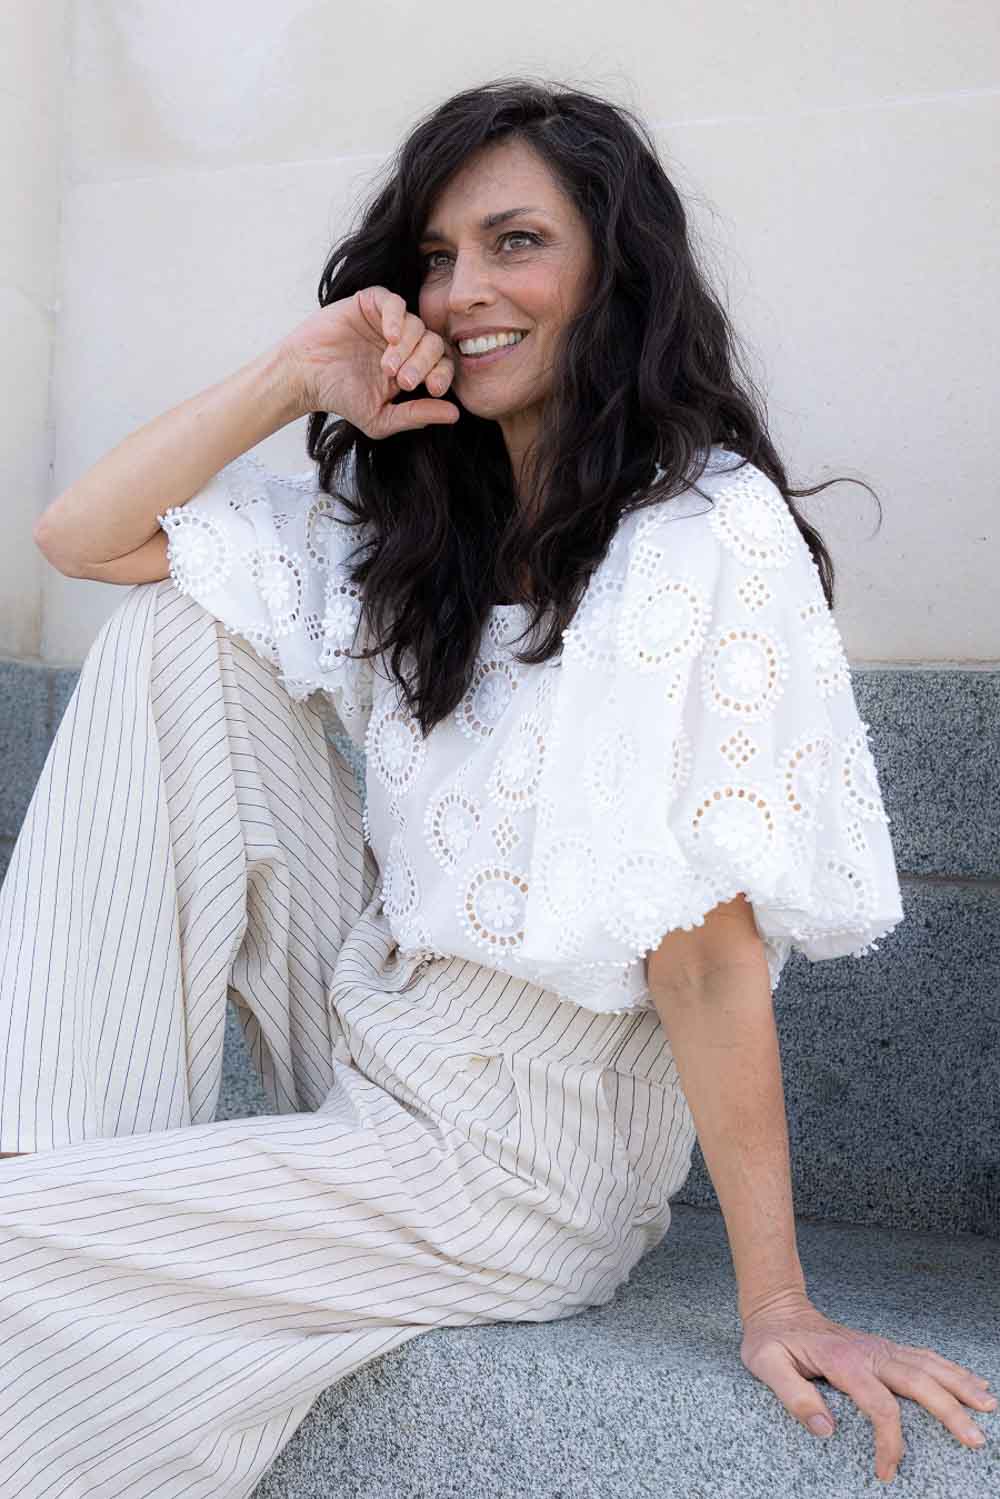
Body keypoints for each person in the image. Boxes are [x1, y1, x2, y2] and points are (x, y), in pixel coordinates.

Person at [1, 76, 992, 1497]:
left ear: (613, 271)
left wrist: (778, 1299)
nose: (466, 290)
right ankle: (42, 1161)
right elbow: (79, 540)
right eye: (440, 255)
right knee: (177, 628)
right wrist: (296, 376)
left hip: (521, 1161)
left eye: (517, 242)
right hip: (374, 1039)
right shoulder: (419, 530)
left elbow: (707, 959)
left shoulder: (703, 532)